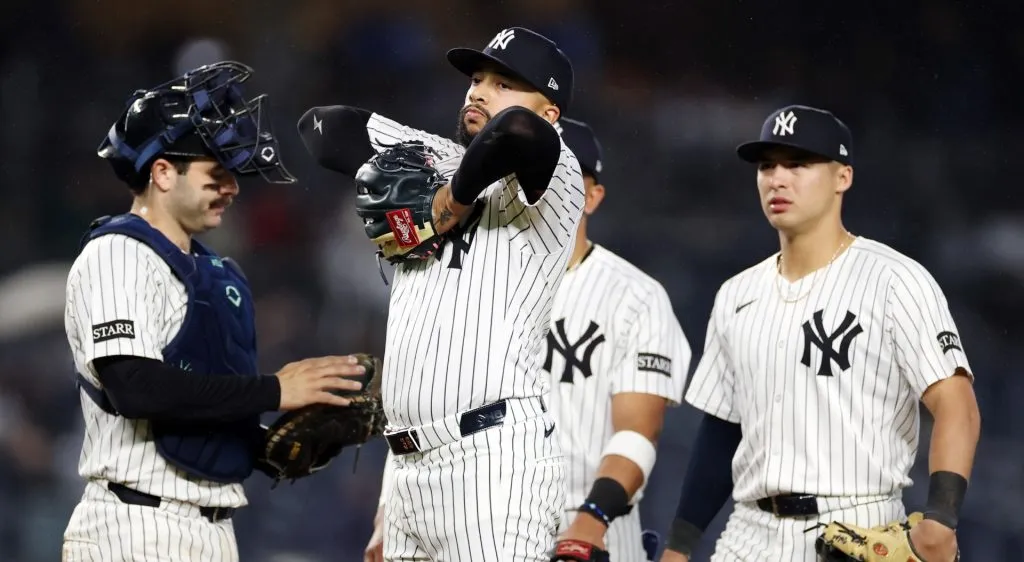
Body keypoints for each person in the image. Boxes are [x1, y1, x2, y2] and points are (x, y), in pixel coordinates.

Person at [61, 61, 370, 562]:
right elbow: (134, 387)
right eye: (216, 173)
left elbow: (202, 410)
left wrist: (275, 449)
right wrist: (275, 390)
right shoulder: (118, 253)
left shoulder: (218, 275)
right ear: (162, 171)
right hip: (135, 526)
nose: (232, 187)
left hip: (211, 532)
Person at [298, 27, 585, 562]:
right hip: (407, 468)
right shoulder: (438, 155)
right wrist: (388, 503)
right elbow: (323, 127)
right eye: (476, 78)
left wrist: (445, 204)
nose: (479, 92)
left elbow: (517, 132)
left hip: (494, 462)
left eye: (504, 82)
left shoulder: (558, 173)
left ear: (552, 113)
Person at [661, 105, 981, 561]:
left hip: (856, 528)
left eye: (798, 164)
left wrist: (941, 522)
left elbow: (957, 405)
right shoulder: (736, 294)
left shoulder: (894, 280)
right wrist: (679, 545)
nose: (777, 178)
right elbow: (721, 432)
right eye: (767, 165)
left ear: (842, 177)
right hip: (746, 533)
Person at [538, 118, 692, 561]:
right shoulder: (476, 287)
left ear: (592, 196)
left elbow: (638, 430)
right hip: (482, 520)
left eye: (564, 175)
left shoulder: (636, 296)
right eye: (532, 172)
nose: (545, 187)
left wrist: (592, 516)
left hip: (593, 523)